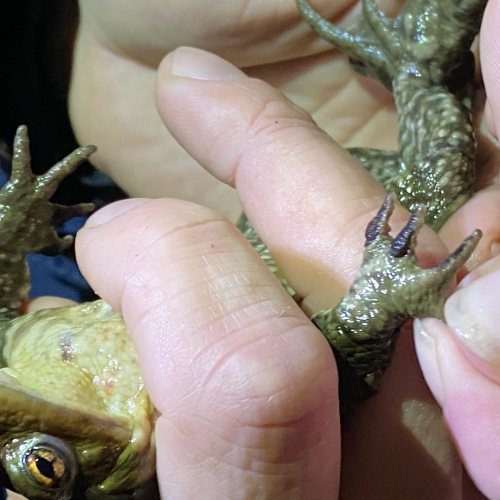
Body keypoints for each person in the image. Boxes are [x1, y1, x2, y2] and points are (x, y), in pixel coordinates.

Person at [12, 0, 500, 498]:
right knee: (429, 208)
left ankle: (427, 68)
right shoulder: (151, 450)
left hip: (279, 218)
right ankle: (428, 70)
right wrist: (370, 314)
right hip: (350, 276)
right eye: (41, 467)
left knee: (431, 200)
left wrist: (61, 52)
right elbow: (337, 378)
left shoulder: (15, 348)